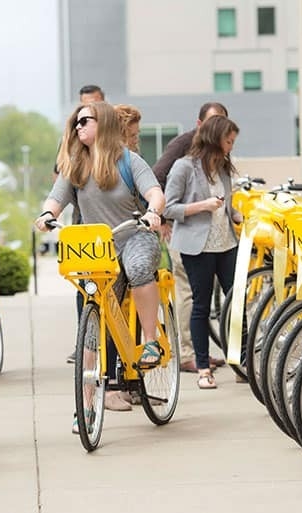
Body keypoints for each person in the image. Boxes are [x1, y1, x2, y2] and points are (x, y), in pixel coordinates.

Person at [35, 101, 165, 416]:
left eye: (85, 121)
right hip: (98, 248)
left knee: (137, 269)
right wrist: (47, 214)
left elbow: (155, 193)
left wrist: (152, 213)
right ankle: (87, 407)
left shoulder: (129, 161)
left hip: (134, 235)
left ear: (103, 124)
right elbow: (56, 198)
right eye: (76, 123)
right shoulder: (76, 165)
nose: (79, 127)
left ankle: (151, 340)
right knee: (93, 320)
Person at [164, 115, 243, 390]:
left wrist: (235, 214)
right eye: (228, 141)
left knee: (236, 301)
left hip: (226, 243)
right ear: (214, 139)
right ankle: (202, 368)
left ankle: (240, 362)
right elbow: (168, 208)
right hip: (197, 246)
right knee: (201, 305)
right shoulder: (183, 167)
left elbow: (225, 204)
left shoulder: (222, 168)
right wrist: (201, 206)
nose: (231, 147)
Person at [153, 102, 229, 374]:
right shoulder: (183, 146)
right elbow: (157, 177)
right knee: (189, 294)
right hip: (183, 231)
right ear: (199, 125)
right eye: (211, 123)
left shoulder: (221, 154)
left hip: (215, 238)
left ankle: (201, 352)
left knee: (204, 297)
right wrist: (162, 220)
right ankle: (187, 354)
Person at [60, 85, 107, 365]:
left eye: (93, 107)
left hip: (119, 226)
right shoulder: (73, 141)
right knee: (86, 287)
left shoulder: (118, 142)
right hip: (85, 224)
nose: (82, 120)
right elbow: (61, 180)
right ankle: (86, 339)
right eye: (82, 108)